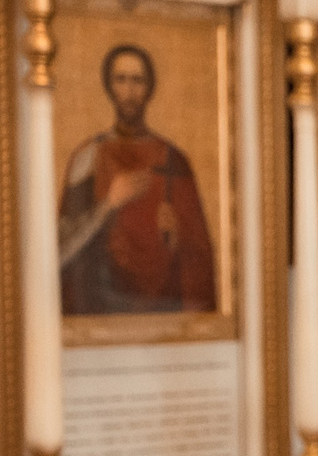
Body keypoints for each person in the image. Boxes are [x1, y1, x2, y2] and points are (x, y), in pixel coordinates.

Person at [58, 44, 217, 317]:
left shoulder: (174, 160)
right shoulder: (88, 157)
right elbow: (62, 249)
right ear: (109, 86)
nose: (129, 91)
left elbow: (202, 260)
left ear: (150, 88)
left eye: (138, 80)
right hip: (103, 307)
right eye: (121, 80)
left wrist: (178, 235)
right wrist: (109, 204)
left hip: (163, 312)